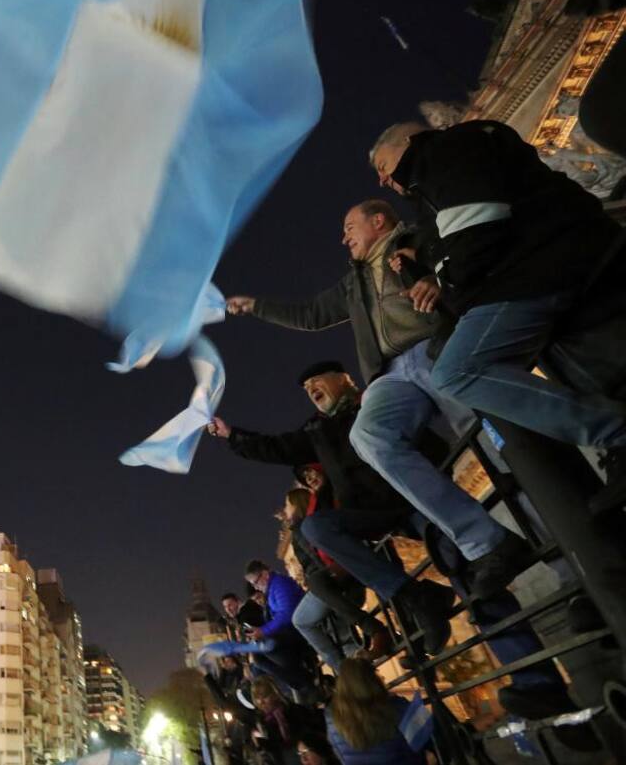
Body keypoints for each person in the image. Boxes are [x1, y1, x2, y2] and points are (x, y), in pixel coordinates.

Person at [224, 200, 533, 598]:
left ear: (379, 221)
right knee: (367, 436)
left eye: (349, 227)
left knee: (491, 439)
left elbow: (461, 256)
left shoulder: (417, 239)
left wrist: (435, 279)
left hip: (437, 345)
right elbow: (312, 313)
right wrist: (257, 307)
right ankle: (486, 541)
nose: (343, 237)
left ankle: (557, 539)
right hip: (390, 372)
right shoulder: (354, 282)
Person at [369, 120, 626, 477]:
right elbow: (448, 242)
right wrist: (424, 259)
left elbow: (475, 233)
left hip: (539, 268)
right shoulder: (432, 183)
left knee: (455, 371)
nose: (382, 179)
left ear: (410, 141)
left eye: (382, 166)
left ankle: (614, 432)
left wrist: (447, 280)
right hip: (530, 267)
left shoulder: (447, 150)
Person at [208, 361, 454, 652]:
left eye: (316, 381)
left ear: (344, 380)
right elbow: (276, 447)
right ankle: (416, 597)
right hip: (370, 514)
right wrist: (231, 435)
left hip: (412, 497)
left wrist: (437, 482)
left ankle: (479, 614)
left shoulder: (376, 400)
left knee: (452, 549)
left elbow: (431, 443)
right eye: (306, 389)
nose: (311, 390)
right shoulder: (317, 429)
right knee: (317, 527)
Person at [282, 487, 390, 670]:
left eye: (286, 505)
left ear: (295, 505)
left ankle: (344, 671)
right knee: (343, 633)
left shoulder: (304, 528)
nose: (284, 510)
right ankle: (351, 672)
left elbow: (316, 559)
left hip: (332, 582)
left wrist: (316, 581)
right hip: (331, 583)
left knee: (302, 620)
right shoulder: (303, 527)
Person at [243, 560, 320, 700]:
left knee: (267, 646)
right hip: (288, 632)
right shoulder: (271, 589)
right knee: (258, 658)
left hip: (298, 630)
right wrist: (260, 631)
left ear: (265, 574)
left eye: (255, 582)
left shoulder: (279, 585)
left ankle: (306, 683)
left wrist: (263, 631)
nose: (256, 587)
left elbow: (287, 613)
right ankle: (303, 683)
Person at [326, 659, 427, 765]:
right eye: (377, 674)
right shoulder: (396, 706)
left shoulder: (332, 716)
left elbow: (340, 754)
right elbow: (425, 738)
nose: (382, 677)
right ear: (372, 682)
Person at [252, 676, 327, 765]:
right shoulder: (262, 721)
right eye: (257, 698)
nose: (261, 702)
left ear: (275, 694)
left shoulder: (293, 710)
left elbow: (310, 733)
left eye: (264, 696)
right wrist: (261, 743)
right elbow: (274, 750)